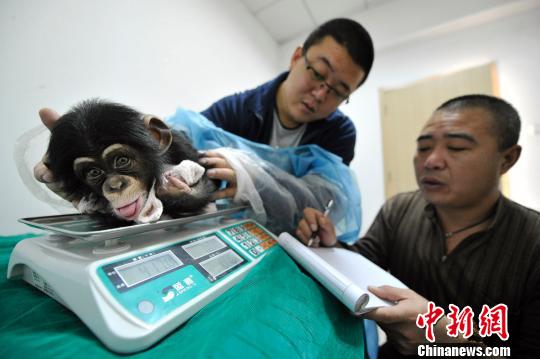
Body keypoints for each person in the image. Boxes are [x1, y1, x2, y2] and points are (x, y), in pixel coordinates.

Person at [295, 94, 540, 357]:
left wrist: (451, 344)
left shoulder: (532, 241)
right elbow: (363, 265)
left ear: (507, 159)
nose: (432, 161)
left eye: (456, 147)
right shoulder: (400, 209)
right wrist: (331, 246)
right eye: (423, 148)